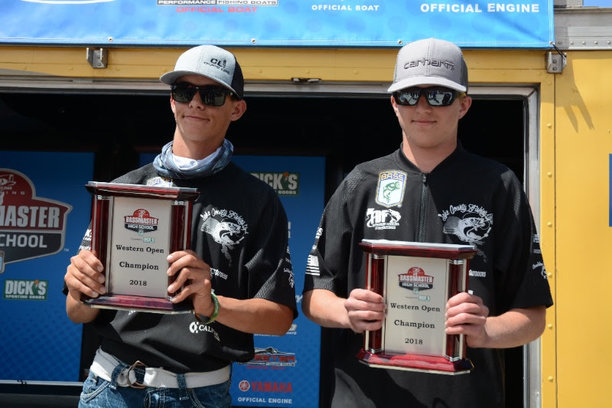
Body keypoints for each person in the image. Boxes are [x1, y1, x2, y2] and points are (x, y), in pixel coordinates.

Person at [302, 38, 553, 408]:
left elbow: (533, 315)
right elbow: (312, 295)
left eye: (438, 95)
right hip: (364, 397)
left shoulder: (499, 185)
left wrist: (486, 331)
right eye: (408, 95)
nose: (422, 107)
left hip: (467, 398)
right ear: (393, 103)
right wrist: (346, 312)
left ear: (464, 104)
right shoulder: (360, 182)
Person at [64, 45, 297, 408]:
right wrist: (81, 288)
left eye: (213, 94)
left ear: (237, 108)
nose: (196, 104)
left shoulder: (259, 201)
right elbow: (77, 312)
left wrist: (213, 304)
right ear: (172, 101)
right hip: (108, 388)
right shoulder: (125, 189)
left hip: (197, 393)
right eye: (185, 92)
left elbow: (279, 319)